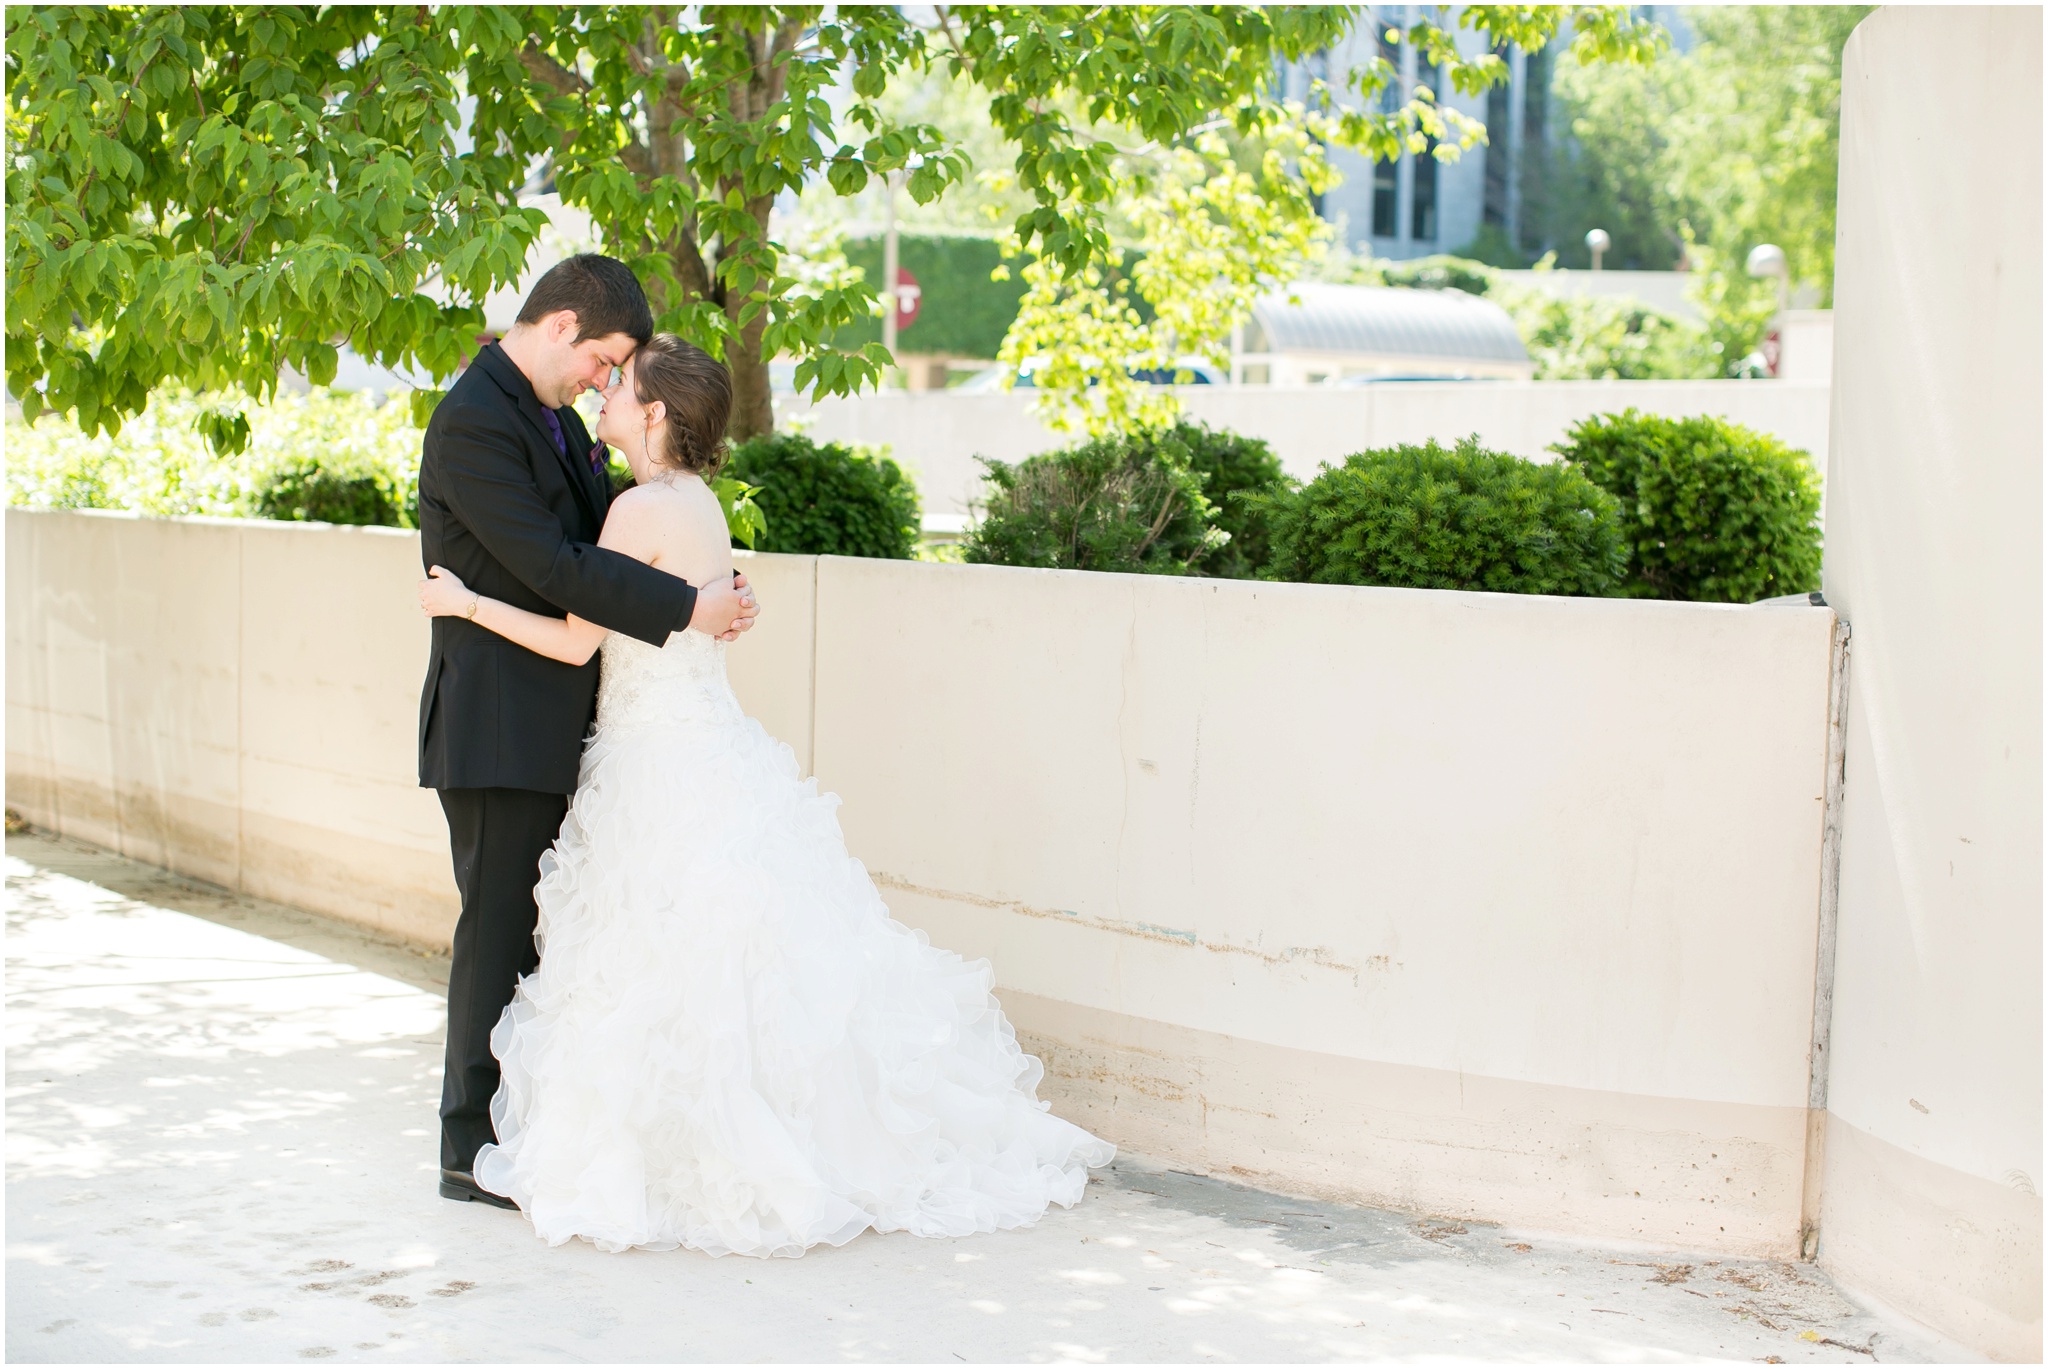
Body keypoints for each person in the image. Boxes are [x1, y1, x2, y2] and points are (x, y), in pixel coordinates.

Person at [417, 334, 1115, 1256]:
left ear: (656, 415)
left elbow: (576, 641)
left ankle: (683, 1148)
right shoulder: (695, 502)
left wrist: (462, 603)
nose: (607, 392)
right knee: (719, 954)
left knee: (661, 956)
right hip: (705, 745)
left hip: (654, 760)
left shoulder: (636, 510)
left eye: (622, 384)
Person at [417, 255, 761, 1210]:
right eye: (604, 358)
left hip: (574, 723)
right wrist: (690, 606)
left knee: (548, 943)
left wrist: (704, 590)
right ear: (563, 326)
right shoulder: (473, 422)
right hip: (499, 725)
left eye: (619, 372)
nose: (604, 379)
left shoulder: (558, 418)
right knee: (495, 933)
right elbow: (553, 563)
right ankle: (467, 1147)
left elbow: (616, 543)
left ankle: (529, 1130)